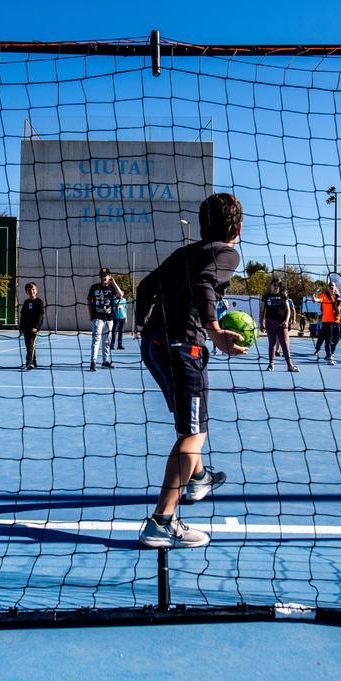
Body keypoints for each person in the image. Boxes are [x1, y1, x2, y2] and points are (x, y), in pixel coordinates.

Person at [135, 193, 247, 549]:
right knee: (192, 434)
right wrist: (214, 330)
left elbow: (145, 287)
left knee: (192, 425)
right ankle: (162, 521)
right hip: (184, 346)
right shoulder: (227, 252)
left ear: (201, 225)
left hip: (155, 344)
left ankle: (198, 478)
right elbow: (204, 284)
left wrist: (145, 326)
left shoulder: (185, 252)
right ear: (238, 227)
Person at [259, 277, 299, 372]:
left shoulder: (283, 296)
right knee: (272, 344)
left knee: (285, 344)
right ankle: (271, 364)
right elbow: (262, 311)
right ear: (271, 285)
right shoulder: (266, 296)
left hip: (282, 324)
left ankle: (290, 365)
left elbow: (289, 310)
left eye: (278, 285)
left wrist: (286, 320)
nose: (276, 287)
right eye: (274, 285)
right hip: (270, 323)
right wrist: (261, 322)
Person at [86, 267, 122, 371]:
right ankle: (93, 361)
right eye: (102, 275)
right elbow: (89, 301)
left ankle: (105, 361)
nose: (104, 277)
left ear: (109, 276)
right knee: (96, 339)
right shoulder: (94, 287)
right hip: (98, 317)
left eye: (106, 275)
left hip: (109, 318)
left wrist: (114, 282)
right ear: (100, 277)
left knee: (107, 341)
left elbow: (120, 295)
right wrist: (91, 315)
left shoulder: (112, 288)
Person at [314, 280, 341, 365]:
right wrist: (313, 294)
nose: (331, 287)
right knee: (327, 340)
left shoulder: (338, 298)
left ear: (335, 287)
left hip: (336, 322)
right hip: (327, 322)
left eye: (333, 285)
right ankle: (329, 356)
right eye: (330, 285)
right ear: (328, 287)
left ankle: (331, 353)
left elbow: (340, 310)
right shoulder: (323, 296)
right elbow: (316, 300)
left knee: (336, 339)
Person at [18, 282, 45, 369]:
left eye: (33, 289)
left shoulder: (39, 302)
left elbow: (40, 316)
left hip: (34, 328)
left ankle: (29, 362)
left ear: (36, 291)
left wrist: (36, 327)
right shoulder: (26, 302)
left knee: (31, 345)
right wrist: (21, 327)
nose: (31, 291)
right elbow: (22, 315)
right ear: (26, 291)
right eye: (29, 290)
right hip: (26, 328)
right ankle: (34, 362)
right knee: (28, 345)